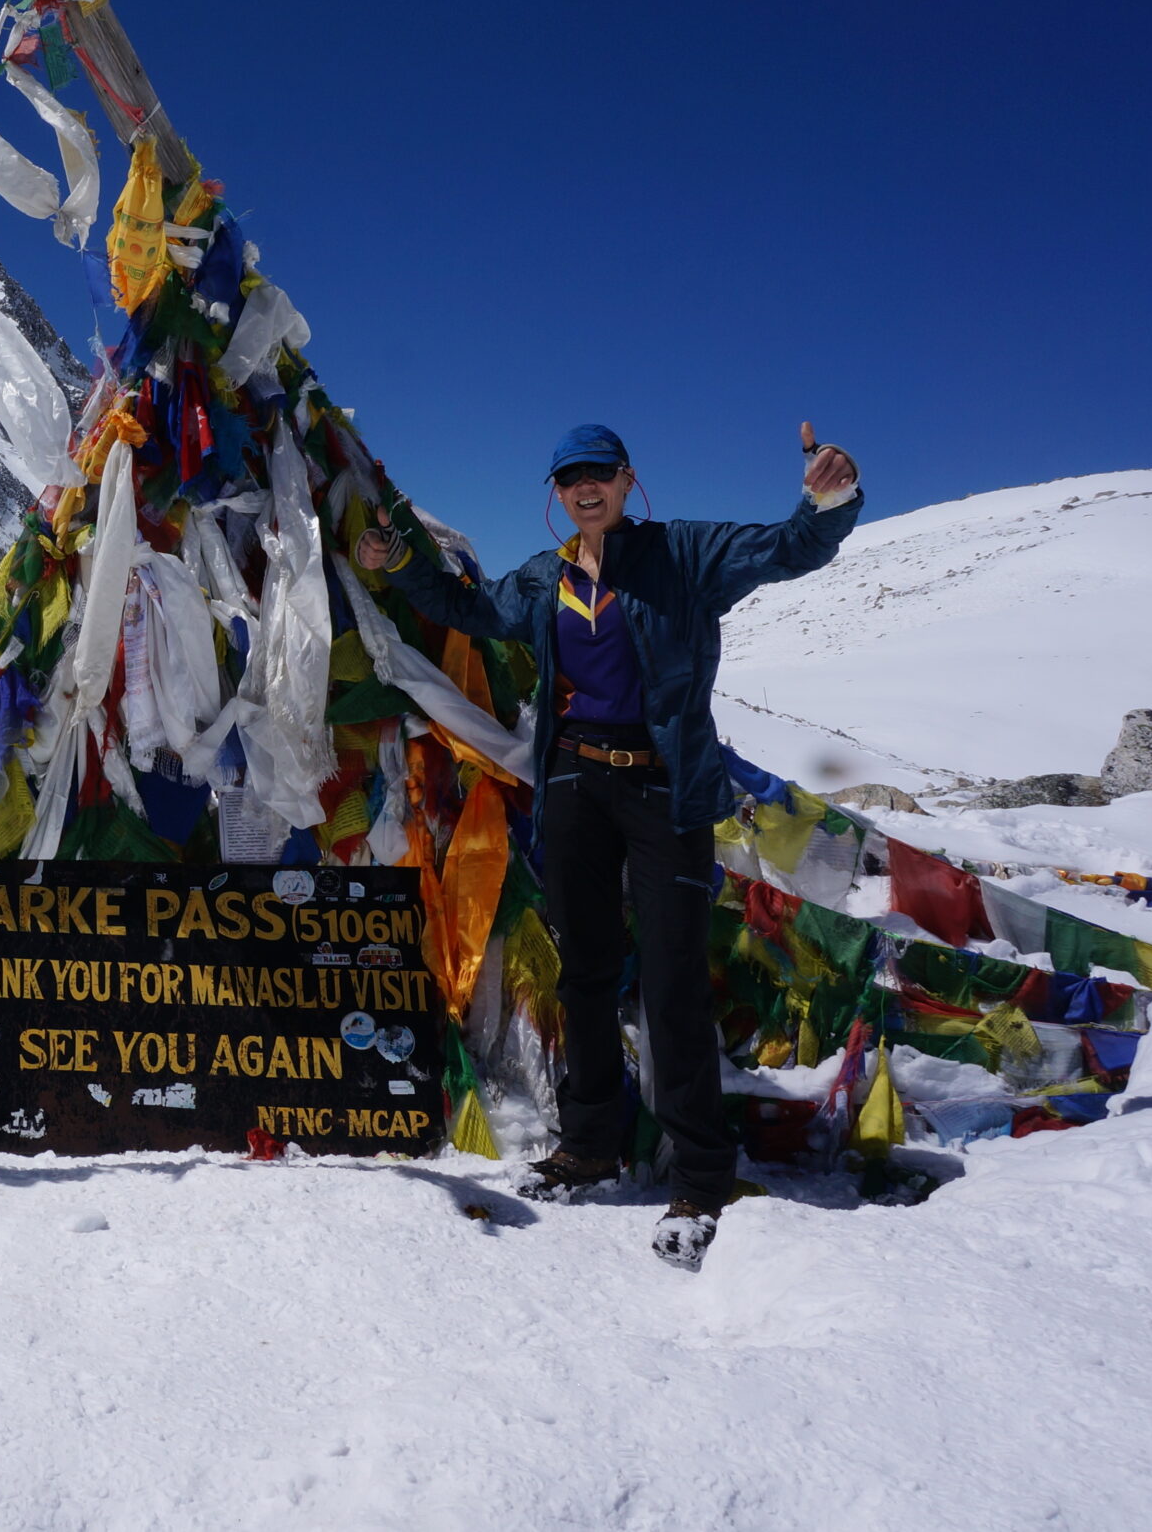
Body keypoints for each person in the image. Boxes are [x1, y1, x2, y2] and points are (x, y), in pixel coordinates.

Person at [356, 422, 861, 1269]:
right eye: (567, 477)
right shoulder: (546, 579)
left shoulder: (685, 554)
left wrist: (828, 499)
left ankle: (701, 1174)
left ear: (628, 480)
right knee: (585, 972)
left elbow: (789, 549)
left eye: (597, 473)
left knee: (670, 978)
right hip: (575, 787)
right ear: (557, 494)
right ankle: (590, 1142)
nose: (583, 488)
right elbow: (471, 609)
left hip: (665, 790)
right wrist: (399, 564)